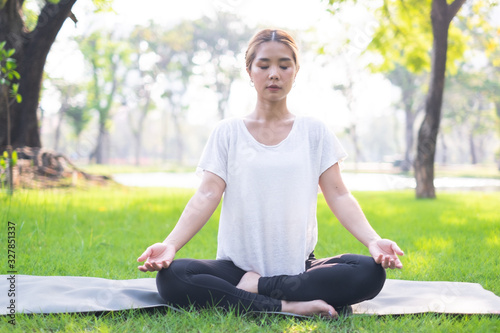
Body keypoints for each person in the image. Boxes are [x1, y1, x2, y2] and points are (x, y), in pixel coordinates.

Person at [137, 28, 404, 318]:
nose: (274, 73)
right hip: (236, 268)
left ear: (295, 71)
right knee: (172, 277)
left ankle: (257, 289)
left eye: (283, 65)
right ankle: (287, 306)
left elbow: (339, 194)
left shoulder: (314, 131)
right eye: (264, 66)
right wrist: (170, 244)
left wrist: (373, 240)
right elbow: (207, 193)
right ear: (250, 71)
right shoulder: (228, 132)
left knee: (368, 273)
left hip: (298, 267)